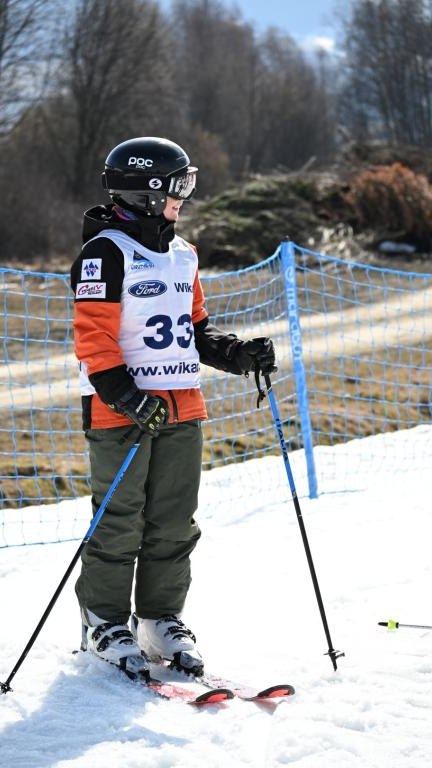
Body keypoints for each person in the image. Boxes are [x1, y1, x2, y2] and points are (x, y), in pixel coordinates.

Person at [70, 136, 276, 679]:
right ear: (149, 191)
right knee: (120, 522)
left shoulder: (184, 253)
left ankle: (160, 617)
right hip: (121, 413)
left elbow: (195, 329)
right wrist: (126, 396)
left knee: (174, 522)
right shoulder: (105, 253)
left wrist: (237, 354)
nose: (185, 196)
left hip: (182, 409)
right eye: (178, 186)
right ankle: (103, 621)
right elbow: (93, 337)